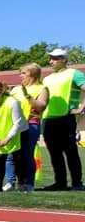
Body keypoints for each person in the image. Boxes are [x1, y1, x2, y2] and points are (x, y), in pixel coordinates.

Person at [37, 49, 85, 191]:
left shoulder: (74, 74)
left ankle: (77, 183)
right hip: (48, 119)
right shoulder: (47, 79)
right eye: (50, 58)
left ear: (64, 59)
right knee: (54, 153)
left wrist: (82, 107)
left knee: (70, 152)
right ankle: (60, 183)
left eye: (55, 58)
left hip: (66, 118)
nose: (51, 61)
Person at [5, 64, 48, 192]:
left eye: (23, 73)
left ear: (33, 74)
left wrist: (28, 96)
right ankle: (10, 182)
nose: (20, 76)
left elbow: (41, 106)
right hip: (15, 125)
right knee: (11, 155)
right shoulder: (16, 89)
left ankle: (28, 184)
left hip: (31, 124)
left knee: (27, 155)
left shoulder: (42, 88)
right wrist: (4, 94)